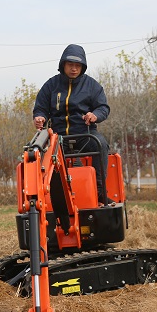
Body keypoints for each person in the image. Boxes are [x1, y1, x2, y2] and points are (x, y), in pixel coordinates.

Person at [33, 44, 113, 205]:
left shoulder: (92, 86)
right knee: (37, 151)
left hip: (85, 133)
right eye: (71, 65)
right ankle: (44, 196)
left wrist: (95, 115)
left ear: (82, 67)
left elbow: (103, 108)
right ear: (63, 65)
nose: (74, 69)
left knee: (101, 145)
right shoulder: (51, 85)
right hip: (58, 137)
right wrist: (40, 117)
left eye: (78, 66)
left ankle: (99, 192)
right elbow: (40, 108)